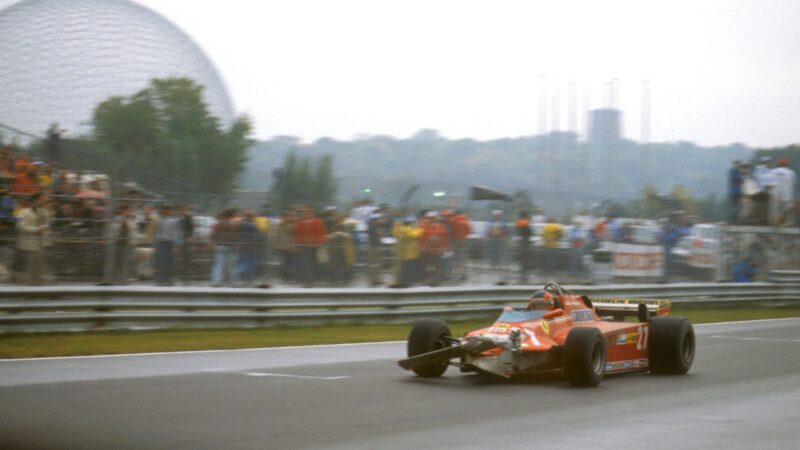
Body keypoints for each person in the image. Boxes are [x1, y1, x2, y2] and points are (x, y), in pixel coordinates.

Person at [15, 193, 49, 285]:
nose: (41, 202)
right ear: (34, 201)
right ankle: (29, 284)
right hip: (28, 243)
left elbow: (47, 222)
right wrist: (36, 230)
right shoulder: (22, 212)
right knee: (30, 265)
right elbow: (20, 226)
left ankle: (38, 284)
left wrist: (43, 213)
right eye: (40, 200)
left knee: (39, 265)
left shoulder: (42, 211)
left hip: (40, 242)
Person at [153, 204, 182, 286]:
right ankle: (163, 278)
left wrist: (176, 244)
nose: (166, 211)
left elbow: (176, 233)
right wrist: (156, 244)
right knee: (162, 261)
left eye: (168, 210)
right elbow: (157, 233)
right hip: (162, 243)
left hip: (170, 243)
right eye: (165, 210)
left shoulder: (174, 221)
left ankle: (168, 278)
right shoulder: (159, 221)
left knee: (170, 261)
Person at [486, 210, 509, 284]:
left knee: (500, 252)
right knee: (492, 252)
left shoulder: (503, 222)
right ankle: (493, 265)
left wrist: (504, 237)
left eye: (498, 215)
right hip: (493, 239)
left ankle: (500, 265)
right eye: (495, 215)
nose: (496, 216)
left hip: (500, 240)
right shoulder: (490, 222)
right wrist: (488, 236)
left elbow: (505, 231)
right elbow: (488, 231)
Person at [772, 159, 796, 226]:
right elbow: (793, 183)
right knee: (787, 208)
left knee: (776, 209)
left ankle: (776, 222)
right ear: (787, 165)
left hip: (776, 194)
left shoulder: (773, 171)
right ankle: (785, 222)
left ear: (779, 164)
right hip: (787, 195)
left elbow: (770, 182)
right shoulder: (791, 173)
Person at [515, 211, 532, 284]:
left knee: (522, 258)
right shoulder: (526, 222)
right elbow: (529, 232)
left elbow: (518, 231)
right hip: (525, 243)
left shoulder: (519, 222)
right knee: (525, 258)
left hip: (521, 242)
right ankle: (524, 272)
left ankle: (522, 271)